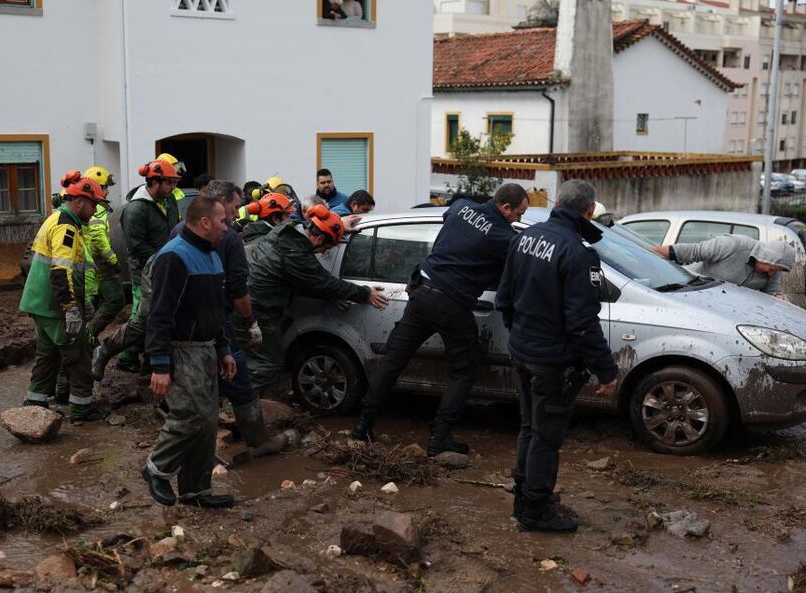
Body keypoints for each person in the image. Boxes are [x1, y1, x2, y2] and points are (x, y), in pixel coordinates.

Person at [352, 183, 529, 455]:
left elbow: (453, 225)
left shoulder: (461, 207)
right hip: (451, 303)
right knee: (465, 369)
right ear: (505, 208)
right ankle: (439, 436)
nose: (518, 221)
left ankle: (362, 427)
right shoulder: (504, 237)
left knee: (392, 361)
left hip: (422, 293)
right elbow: (516, 273)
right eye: (518, 214)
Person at [496, 179, 618, 534]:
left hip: (523, 352)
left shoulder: (523, 238)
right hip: (550, 361)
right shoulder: (576, 253)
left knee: (529, 428)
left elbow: (505, 297)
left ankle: (525, 495)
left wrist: (521, 335)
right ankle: (534, 511)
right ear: (590, 211)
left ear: (557, 202)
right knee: (545, 438)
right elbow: (582, 321)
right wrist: (606, 370)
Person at [170, 181, 287, 458]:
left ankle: (197, 451)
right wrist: (250, 321)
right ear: (219, 204)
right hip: (215, 321)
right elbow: (237, 288)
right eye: (234, 207)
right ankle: (258, 442)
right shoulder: (230, 237)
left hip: (185, 326)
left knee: (195, 387)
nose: (237, 214)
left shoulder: (179, 230)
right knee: (238, 378)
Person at [141, 195, 237, 508]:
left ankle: (196, 491)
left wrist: (223, 348)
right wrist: (159, 364)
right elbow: (159, 314)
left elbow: (218, 310)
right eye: (222, 220)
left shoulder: (212, 256)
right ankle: (156, 468)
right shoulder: (173, 257)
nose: (227, 225)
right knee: (190, 415)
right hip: (181, 349)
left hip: (206, 349)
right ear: (205, 222)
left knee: (208, 421)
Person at [241, 204, 388, 393]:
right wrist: (365, 293)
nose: (325, 252)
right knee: (268, 363)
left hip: (247, 301)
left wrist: (338, 225)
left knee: (245, 356)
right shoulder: (297, 255)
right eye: (328, 246)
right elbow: (325, 283)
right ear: (318, 237)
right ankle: (238, 404)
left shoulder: (288, 229)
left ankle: (234, 396)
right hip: (257, 311)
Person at [19, 172, 108, 422]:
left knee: (48, 355)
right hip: (54, 304)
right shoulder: (66, 226)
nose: (94, 210)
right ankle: (82, 408)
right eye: (93, 205)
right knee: (79, 354)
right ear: (79, 202)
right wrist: (70, 307)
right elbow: (60, 270)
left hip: (39, 302)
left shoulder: (56, 218)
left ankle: (35, 404)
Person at [117, 159, 182, 371]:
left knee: (161, 313)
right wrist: (161, 260)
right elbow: (135, 246)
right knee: (141, 315)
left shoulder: (169, 201)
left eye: (174, 182)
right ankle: (127, 356)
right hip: (143, 271)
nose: (173, 187)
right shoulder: (136, 209)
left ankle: (149, 355)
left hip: (166, 268)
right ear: (154, 182)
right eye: (169, 183)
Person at [651, 235, 794, 298]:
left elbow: (771, 294)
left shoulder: (774, 272)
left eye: (776, 271)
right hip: (687, 292)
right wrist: (649, 252)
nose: (771, 274)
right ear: (765, 256)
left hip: (723, 310)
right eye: (771, 269)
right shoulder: (732, 245)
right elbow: (691, 252)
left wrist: (777, 297)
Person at [80, 166, 124, 337]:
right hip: (100, 264)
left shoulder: (93, 205)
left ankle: (87, 337)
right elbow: (98, 237)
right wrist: (113, 260)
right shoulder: (96, 206)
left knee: (95, 301)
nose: (106, 192)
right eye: (105, 187)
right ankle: (88, 335)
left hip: (93, 263)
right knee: (115, 299)